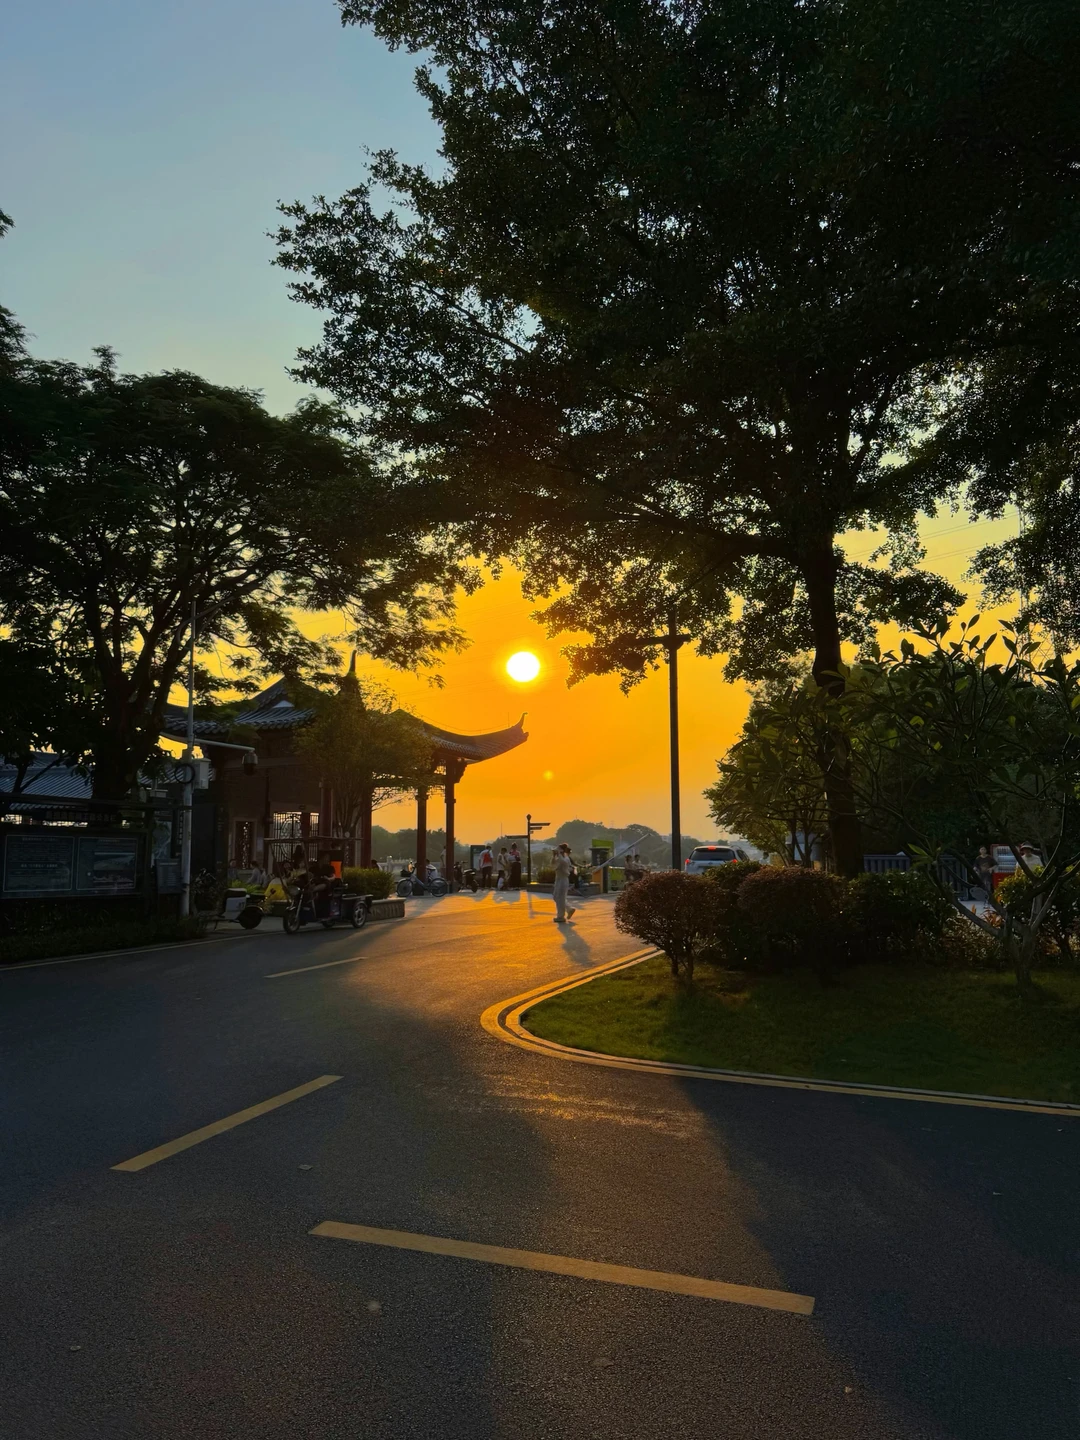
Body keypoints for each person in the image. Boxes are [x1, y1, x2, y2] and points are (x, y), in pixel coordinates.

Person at [553, 842, 576, 923]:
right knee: (556, 897)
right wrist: (554, 856)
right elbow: (553, 864)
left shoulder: (566, 858)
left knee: (561, 898)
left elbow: (563, 862)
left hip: (563, 879)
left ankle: (560, 916)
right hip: (558, 879)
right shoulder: (559, 858)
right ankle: (569, 909)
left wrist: (558, 854)